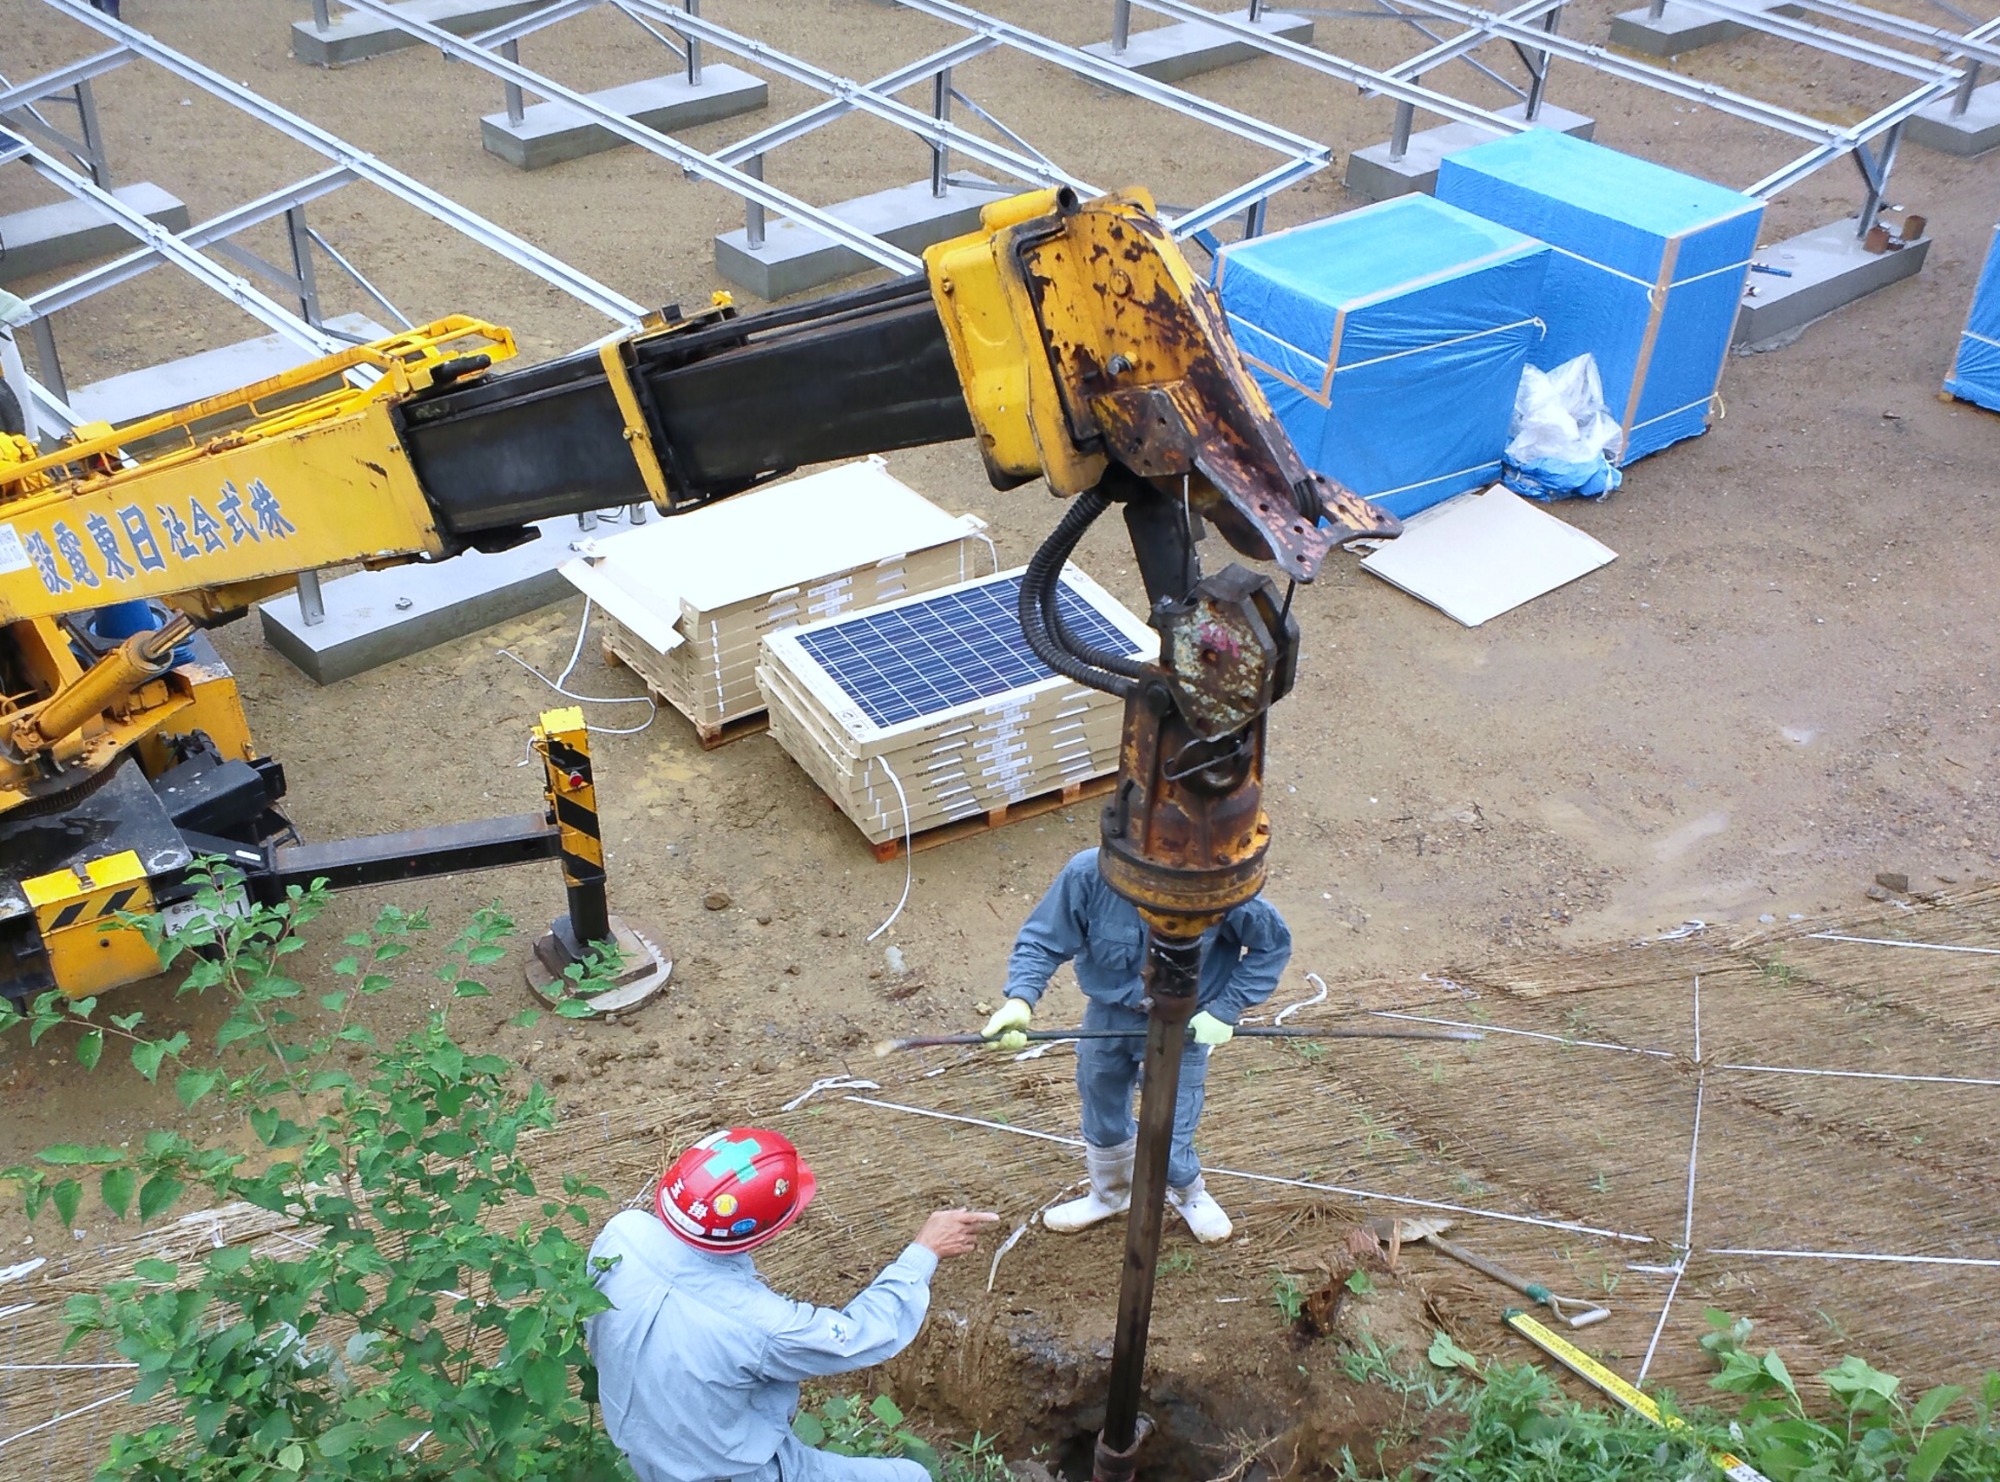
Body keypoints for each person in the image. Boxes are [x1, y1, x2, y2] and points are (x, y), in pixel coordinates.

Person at [586, 1126, 997, 1482]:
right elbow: (860, 1336)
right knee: (914, 1477)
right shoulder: (758, 1323)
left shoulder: (621, 1235)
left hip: (647, 1453)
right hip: (733, 1472)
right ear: (763, 1231)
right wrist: (924, 1252)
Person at [981, 846, 1291, 1244]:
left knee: (1173, 1121)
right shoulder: (1089, 874)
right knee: (1100, 1098)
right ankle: (1111, 1194)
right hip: (1109, 1015)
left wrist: (1225, 1009)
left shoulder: (1214, 886)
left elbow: (1272, 946)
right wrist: (1020, 1000)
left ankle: (1186, 1192)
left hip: (1183, 1025)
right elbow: (1043, 939)